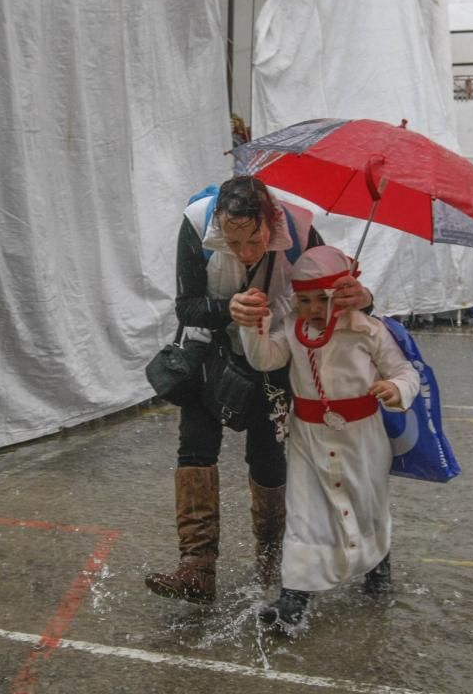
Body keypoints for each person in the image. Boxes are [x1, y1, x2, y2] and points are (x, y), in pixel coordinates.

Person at [144, 176, 373, 605]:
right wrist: (226, 307)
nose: (246, 253)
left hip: (274, 353)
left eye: (255, 241)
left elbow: (329, 295)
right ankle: (197, 568)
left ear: (271, 221)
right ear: (219, 224)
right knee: (195, 445)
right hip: (208, 349)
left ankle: (271, 562)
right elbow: (186, 305)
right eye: (233, 243)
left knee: (267, 457)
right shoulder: (196, 223)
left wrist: (361, 296)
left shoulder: (301, 232)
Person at [240, 245, 419, 634]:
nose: (314, 309)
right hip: (307, 436)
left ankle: (377, 562)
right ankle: (295, 599)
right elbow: (265, 359)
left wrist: (395, 387)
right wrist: (254, 328)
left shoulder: (368, 329)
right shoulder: (292, 328)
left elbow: (405, 370)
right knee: (305, 513)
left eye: (323, 299)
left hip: (363, 438)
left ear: (342, 294)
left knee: (367, 505)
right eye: (303, 300)